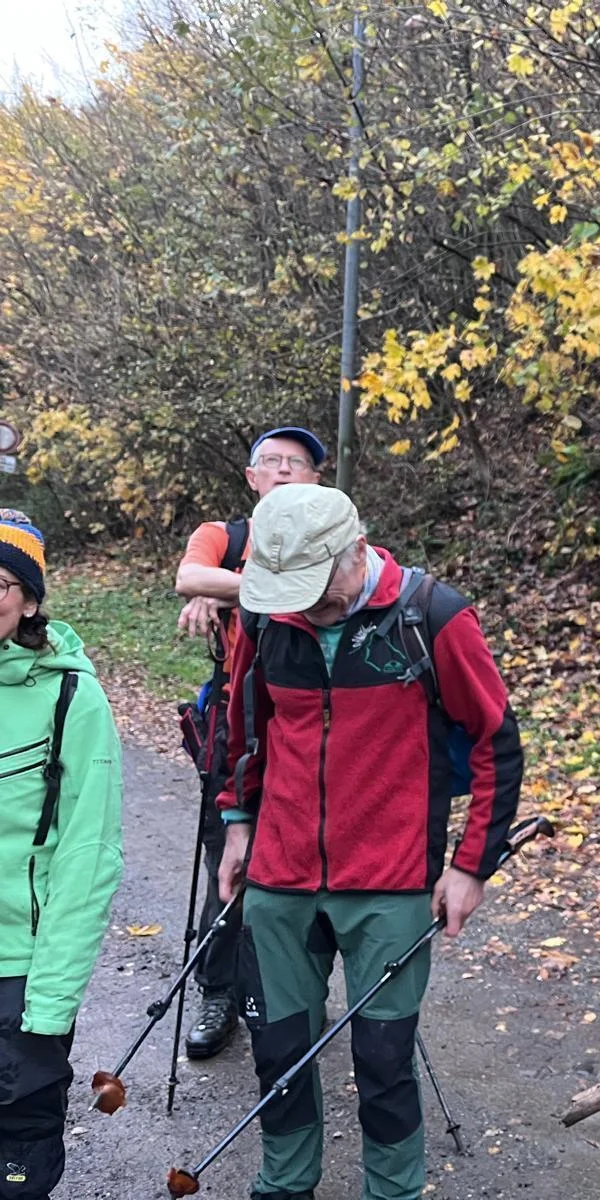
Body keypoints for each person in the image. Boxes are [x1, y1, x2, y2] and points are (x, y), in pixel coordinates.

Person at [215, 483, 522, 1200]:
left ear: (357, 554)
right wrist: (238, 825)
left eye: (317, 588)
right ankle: (284, 1184)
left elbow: (496, 744)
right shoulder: (266, 622)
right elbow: (243, 732)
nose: (305, 604)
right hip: (279, 876)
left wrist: (473, 866)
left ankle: (394, 1192)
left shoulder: (432, 618)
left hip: (391, 883)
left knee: (384, 1058)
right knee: (279, 1049)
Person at [172, 425, 325, 1060]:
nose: (285, 470)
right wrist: (236, 590)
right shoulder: (225, 535)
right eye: (272, 462)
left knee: (310, 869)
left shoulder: (334, 536)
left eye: (299, 463)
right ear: (252, 476)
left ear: (318, 479)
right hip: (235, 736)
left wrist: (226, 592)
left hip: (313, 733)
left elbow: (343, 592)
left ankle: (296, 991)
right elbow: (188, 577)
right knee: (228, 866)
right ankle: (219, 990)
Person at [0, 509, 123, 1198]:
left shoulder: (73, 698)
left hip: (20, 969)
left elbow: (89, 855)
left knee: (18, 1158)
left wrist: (48, 1001)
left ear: (29, 600)